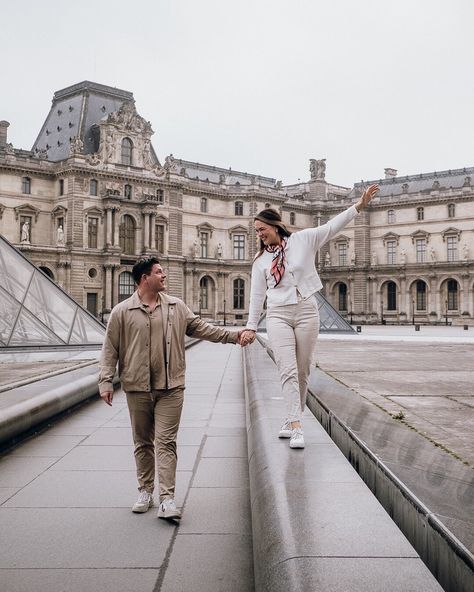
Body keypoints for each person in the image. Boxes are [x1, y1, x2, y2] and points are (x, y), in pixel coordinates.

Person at [99, 257, 245, 520]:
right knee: (143, 443)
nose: (164, 275)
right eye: (159, 272)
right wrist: (106, 380)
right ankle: (145, 490)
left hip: (171, 387)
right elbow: (110, 349)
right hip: (137, 387)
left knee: (166, 442)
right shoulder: (122, 312)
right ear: (145, 278)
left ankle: (167, 498)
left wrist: (234, 336)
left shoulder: (177, 307)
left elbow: (203, 329)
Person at [240, 184, 379, 449]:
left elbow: (331, 226)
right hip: (278, 314)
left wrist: (359, 206)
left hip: (306, 310)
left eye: (262, 229)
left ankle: (292, 416)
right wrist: (250, 327)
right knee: (287, 369)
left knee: (303, 370)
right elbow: (257, 297)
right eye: (256, 231)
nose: (259, 235)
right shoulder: (259, 262)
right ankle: (296, 426)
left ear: (275, 226)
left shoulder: (303, 240)